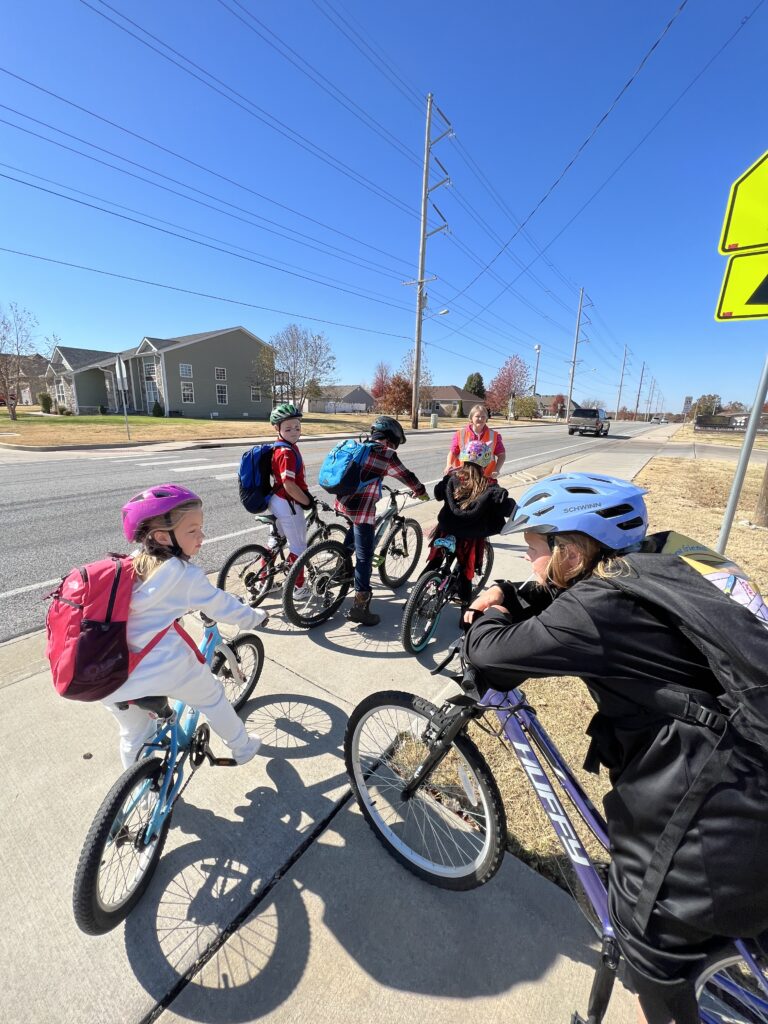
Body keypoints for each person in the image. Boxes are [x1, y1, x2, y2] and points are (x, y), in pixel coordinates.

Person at [461, 472, 768, 1024]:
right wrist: (520, 592)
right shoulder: (663, 556)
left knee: (648, 948)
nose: (528, 561)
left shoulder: (597, 609)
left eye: (534, 549)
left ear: (571, 553)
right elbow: (558, 596)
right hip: (752, 753)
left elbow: (491, 657)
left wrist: (493, 610)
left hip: (724, 802)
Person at [105, 484, 268, 770]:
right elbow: (222, 607)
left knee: (133, 734)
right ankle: (242, 748)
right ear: (161, 536)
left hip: (111, 673)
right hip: (160, 668)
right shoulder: (184, 575)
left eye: (201, 528)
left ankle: (137, 792)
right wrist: (255, 617)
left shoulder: (129, 566)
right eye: (192, 531)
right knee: (213, 696)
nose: (201, 537)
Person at [335, 415, 427, 626]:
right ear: (391, 439)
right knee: (365, 557)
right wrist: (420, 491)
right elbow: (406, 475)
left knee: (355, 535)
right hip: (362, 510)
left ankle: (341, 567)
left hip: (342, 503)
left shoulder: (358, 447)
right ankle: (361, 606)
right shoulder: (386, 455)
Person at [424, 440, 514, 607]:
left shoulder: (452, 479)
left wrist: (446, 478)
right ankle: (464, 611)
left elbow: (437, 494)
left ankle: (416, 597)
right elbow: (505, 508)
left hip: (446, 530)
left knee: (435, 561)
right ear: (485, 463)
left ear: (463, 459)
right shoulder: (488, 486)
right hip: (470, 538)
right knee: (466, 571)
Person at [267, 403, 313, 598]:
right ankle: (299, 588)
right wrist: (307, 501)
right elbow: (289, 485)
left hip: (275, 500)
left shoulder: (280, 447)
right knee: (299, 547)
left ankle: (265, 582)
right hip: (288, 502)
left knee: (274, 543)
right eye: (288, 428)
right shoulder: (286, 452)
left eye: (297, 427)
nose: (294, 432)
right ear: (277, 429)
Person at [444, 402, 505, 479]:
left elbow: (502, 455)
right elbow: (452, 452)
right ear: (471, 418)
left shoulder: (494, 435)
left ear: (486, 418)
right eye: (477, 416)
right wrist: (448, 464)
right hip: (463, 477)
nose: (480, 419)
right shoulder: (460, 434)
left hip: (486, 478)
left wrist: (497, 470)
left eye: (483, 416)